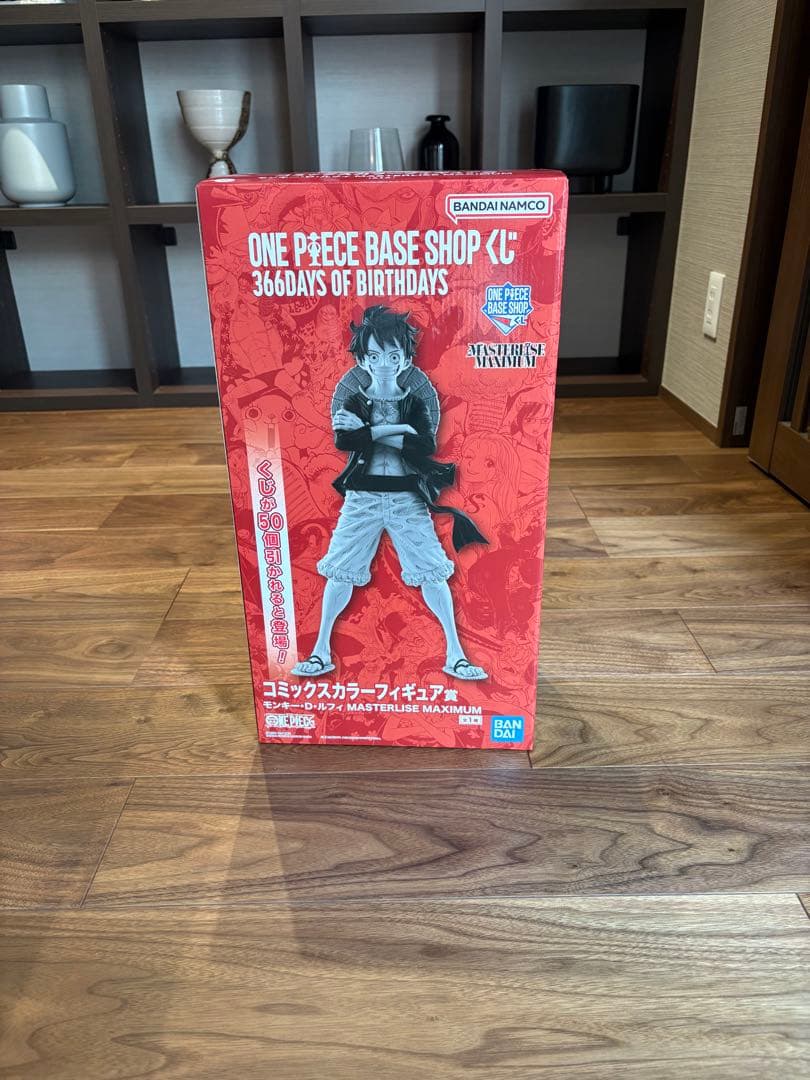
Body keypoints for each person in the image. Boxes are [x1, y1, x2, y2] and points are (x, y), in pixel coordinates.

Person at [291, 304, 488, 681]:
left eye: (394, 356)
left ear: (406, 359)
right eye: (375, 356)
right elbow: (345, 440)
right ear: (363, 359)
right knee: (340, 570)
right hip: (361, 497)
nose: (384, 363)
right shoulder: (354, 399)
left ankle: (456, 655)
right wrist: (394, 431)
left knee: (432, 571)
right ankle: (320, 653)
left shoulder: (415, 401)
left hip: (407, 498)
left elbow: (424, 445)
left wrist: (371, 432)